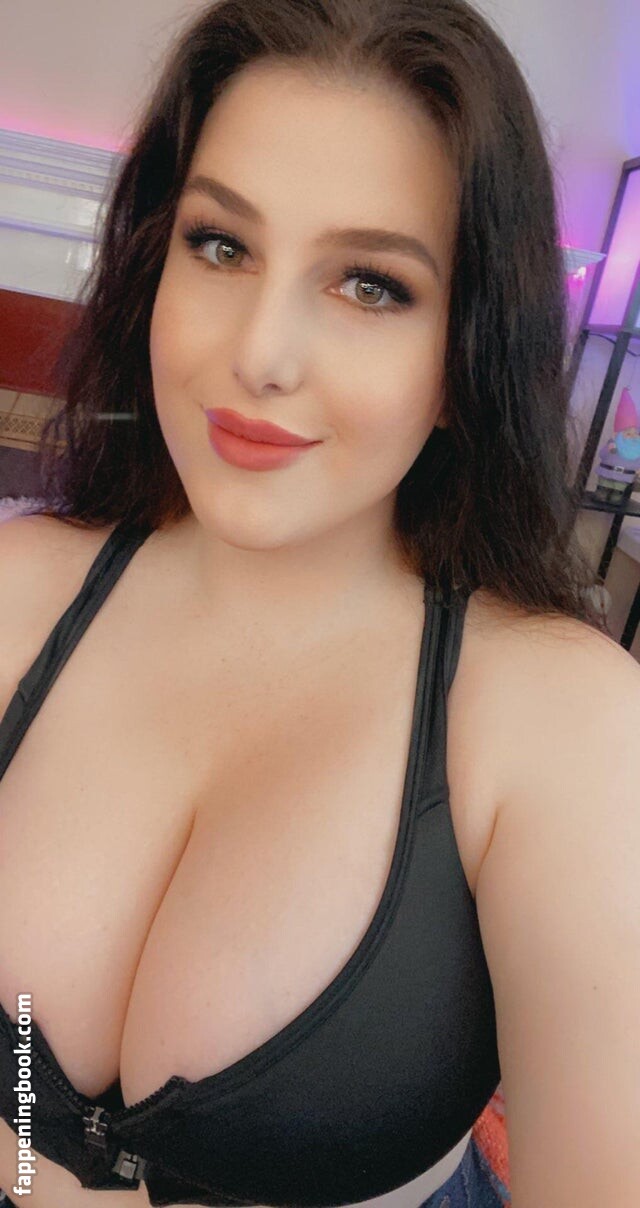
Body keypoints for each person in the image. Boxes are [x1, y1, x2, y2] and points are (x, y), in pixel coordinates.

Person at [1, 0, 639, 1205]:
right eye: (220, 245)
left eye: (370, 283)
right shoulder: (18, 590)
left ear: (467, 353)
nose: (261, 353)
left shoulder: (565, 726)